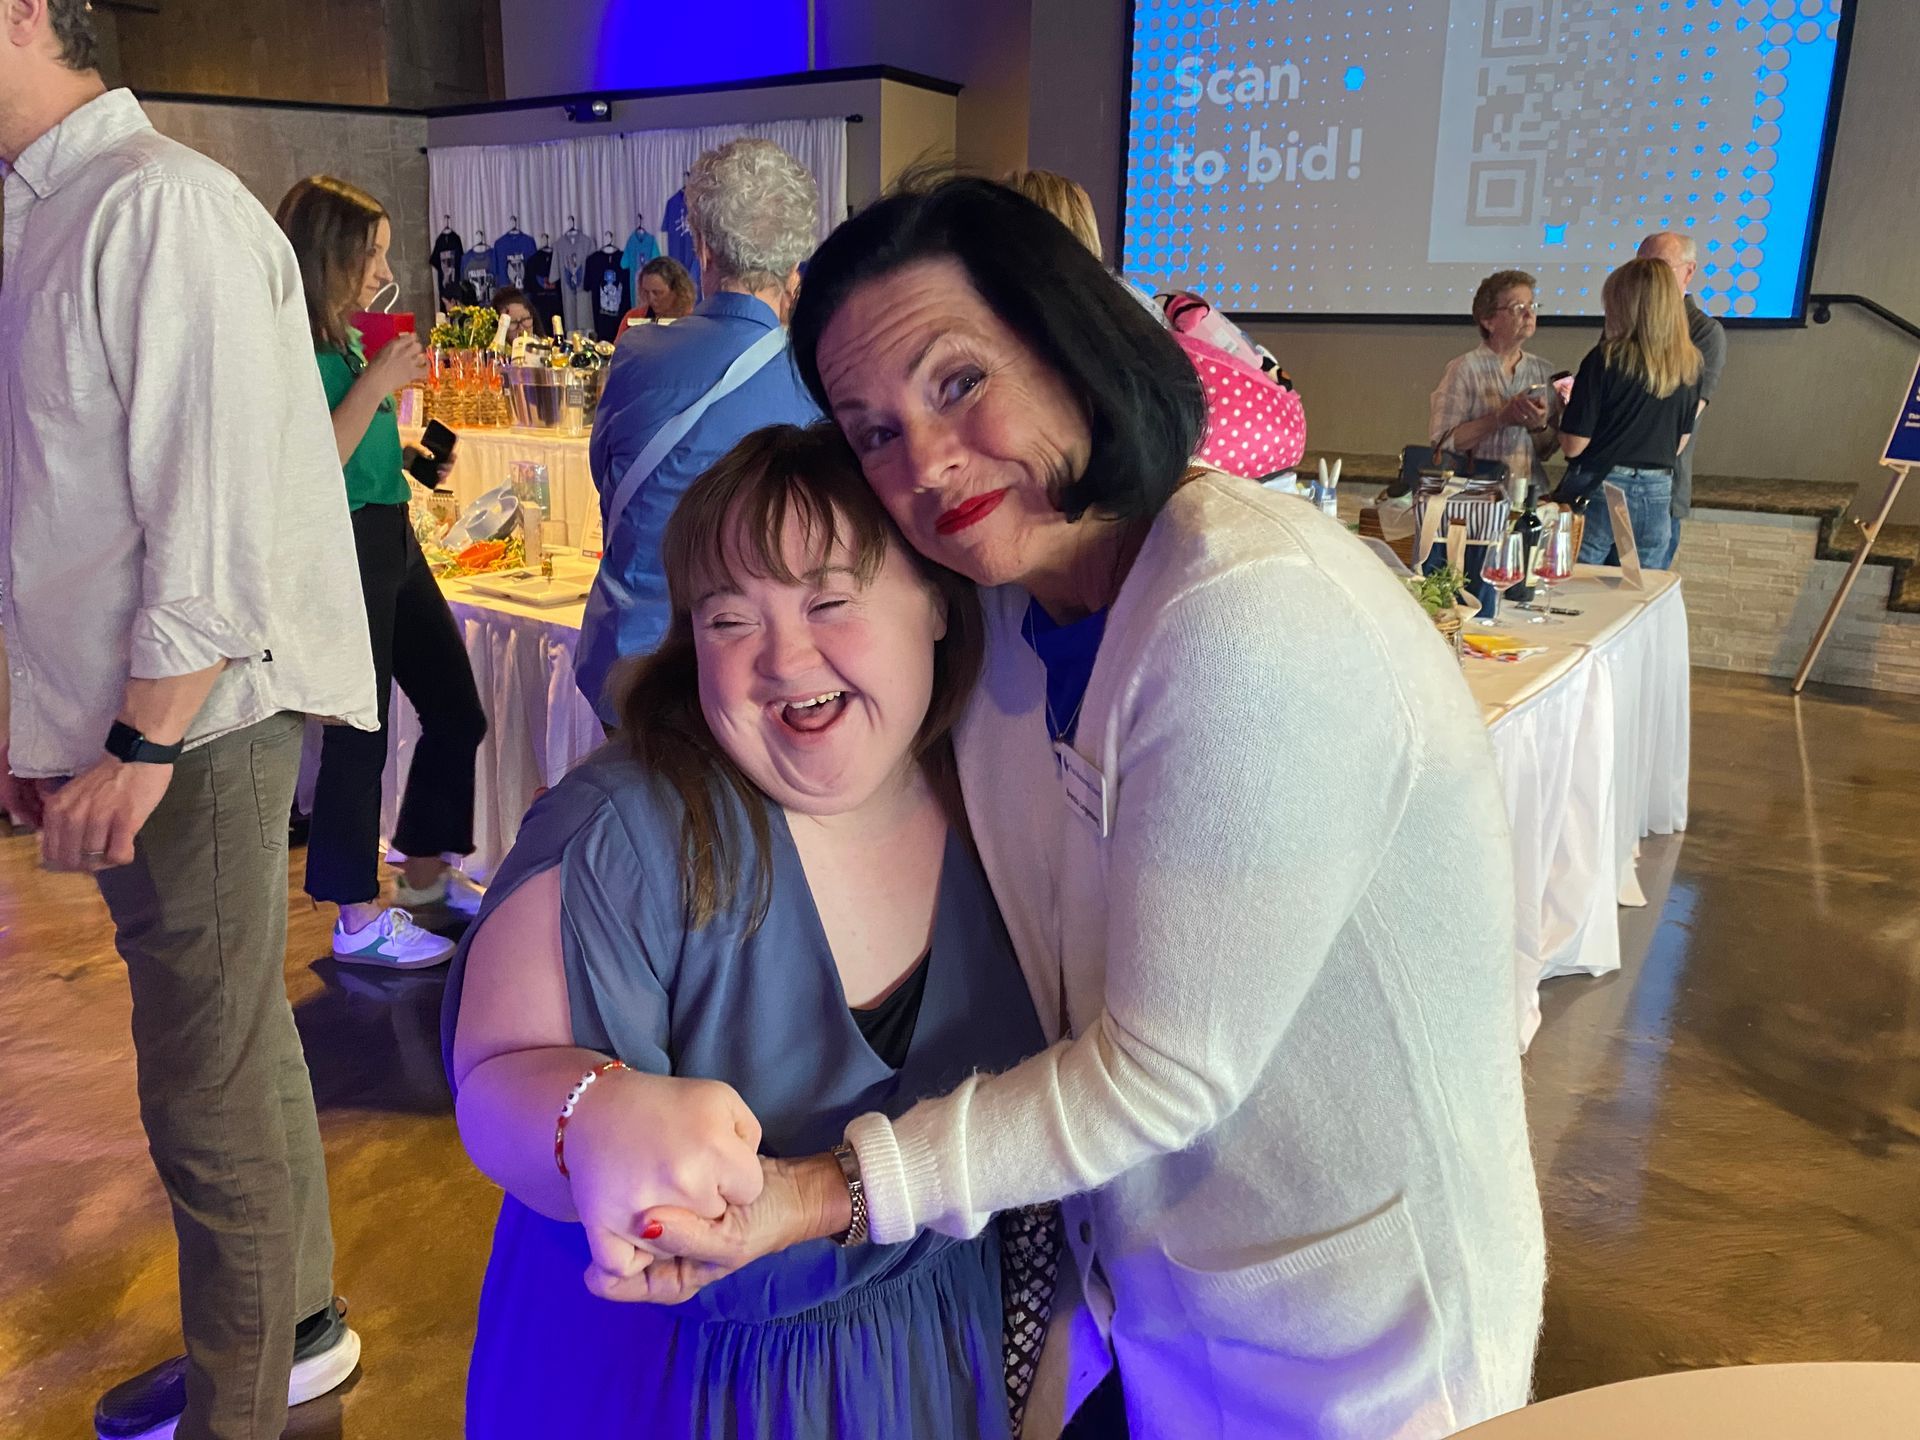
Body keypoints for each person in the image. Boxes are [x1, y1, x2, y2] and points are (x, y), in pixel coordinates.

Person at [626, 177, 1546, 1440]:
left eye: (957, 383)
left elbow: (1160, 1073)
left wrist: (815, 1194)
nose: (927, 460)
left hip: (1363, 1341)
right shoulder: (1013, 610)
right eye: (872, 430)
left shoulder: (1249, 615)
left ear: (1071, 344)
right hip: (1171, 1294)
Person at [446, 425, 1046, 1437]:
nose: (783, 658)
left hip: (927, 1354)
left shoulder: (1003, 797)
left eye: (830, 600)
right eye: (731, 619)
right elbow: (494, 1077)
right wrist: (593, 1114)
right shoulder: (628, 831)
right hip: (664, 1382)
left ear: (938, 600)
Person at [0, 7, 376, 1438]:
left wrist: (141, 740)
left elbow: (209, 522)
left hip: (195, 738)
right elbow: (64, 509)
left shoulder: (156, 200)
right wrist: (44, 724)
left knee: (202, 1093)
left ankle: (242, 1413)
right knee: (238, 1059)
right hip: (149, 731)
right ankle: (295, 1339)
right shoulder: (65, 210)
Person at [276, 176, 490, 968]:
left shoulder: (346, 335)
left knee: (456, 709)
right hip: (343, 544)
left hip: (389, 530)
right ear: (330, 252)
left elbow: (357, 442)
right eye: (370, 253)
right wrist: (376, 385)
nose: (380, 269)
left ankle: (427, 878)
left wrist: (406, 457)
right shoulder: (288, 340)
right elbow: (308, 462)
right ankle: (355, 914)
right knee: (358, 726)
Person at [575, 139, 822, 724]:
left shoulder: (637, 353)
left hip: (634, 661)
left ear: (703, 246)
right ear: (795, 266)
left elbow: (606, 478)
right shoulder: (817, 374)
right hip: (759, 671)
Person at [1556, 257, 1704, 570]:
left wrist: (1564, 411)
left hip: (1602, 488)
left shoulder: (1605, 358)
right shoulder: (1689, 365)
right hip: (1657, 491)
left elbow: (1574, 445)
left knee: (1575, 582)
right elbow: (1678, 443)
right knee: (1640, 591)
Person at [1430, 269, 1563, 499]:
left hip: (1531, 494)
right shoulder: (1464, 369)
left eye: (1532, 305)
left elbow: (1546, 451)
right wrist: (1500, 418)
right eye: (1518, 308)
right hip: (1478, 498)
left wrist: (1538, 426)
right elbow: (1443, 442)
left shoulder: (1543, 371)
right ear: (1488, 320)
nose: (1529, 314)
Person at [1637, 232, 1727, 567]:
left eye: (1658, 267)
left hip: (1659, 491)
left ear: (1688, 273)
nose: (1647, 278)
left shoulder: (1703, 333)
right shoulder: (1625, 324)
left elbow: (1682, 423)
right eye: (1640, 267)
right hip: (1608, 488)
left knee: (1641, 604)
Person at [619, 254, 700, 329]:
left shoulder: (691, 321)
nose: (651, 299)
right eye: (646, 292)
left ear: (676, 291)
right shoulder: (634, 317)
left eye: (657, 293)